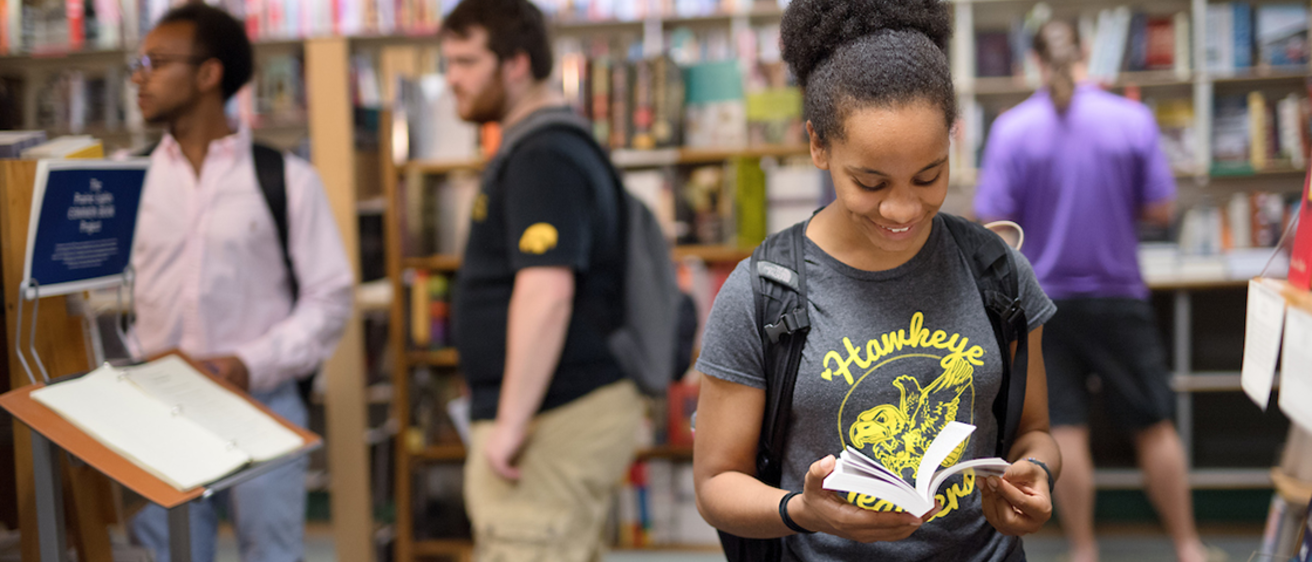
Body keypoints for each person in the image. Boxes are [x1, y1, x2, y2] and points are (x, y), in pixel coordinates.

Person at [692, 0, 1061, 560]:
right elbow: (716, 483)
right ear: (818, 144)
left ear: (952, 138)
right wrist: (801, 510)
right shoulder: (761, 292)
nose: (902, 208)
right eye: (870, 181)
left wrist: (1035, 472)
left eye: (928, 175)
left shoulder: (996, 272)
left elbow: (1034, 430)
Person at [974, 20, 1218, 562]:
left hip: (1043, 304)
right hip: (1118, 294)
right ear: (1086, 53)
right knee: (1153, 424)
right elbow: (1160, 206)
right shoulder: (1131, 119)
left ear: (1032, 61)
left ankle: (1083, 549)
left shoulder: (1012, 128)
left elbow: (992, 219)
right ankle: (1187, 546)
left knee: (1064, 428)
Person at [126, 4, 354, 562]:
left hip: (261, 406)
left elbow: (330, 297)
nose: (140, 75)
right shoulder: (125, 181)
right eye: (139, 62)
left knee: (272, 555)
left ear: (209, 75)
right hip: (155, 413)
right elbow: (104, 303)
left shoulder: (287, 181)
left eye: (155, 62)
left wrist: (252, 362)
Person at [439, 0, 644, 560]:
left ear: (516, 64)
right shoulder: (553, 144)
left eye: (465, 61)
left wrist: (510, 422)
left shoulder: (543, 155)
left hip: (552, 420)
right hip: (556, 411)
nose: (451, 79)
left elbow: (546, 293)